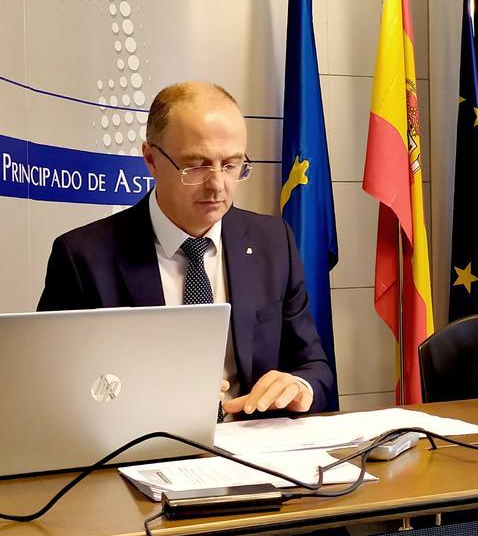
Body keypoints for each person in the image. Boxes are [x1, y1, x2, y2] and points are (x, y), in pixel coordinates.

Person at [38, 81, 335, 417]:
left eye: (231, 165)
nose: (217, 185)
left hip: (251, 451)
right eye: (196, 165)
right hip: (139, 453)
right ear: (151, 159)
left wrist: (299, 386)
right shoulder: (82, 257)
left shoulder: (272, 241)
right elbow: (51, 392)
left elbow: (314, 367)